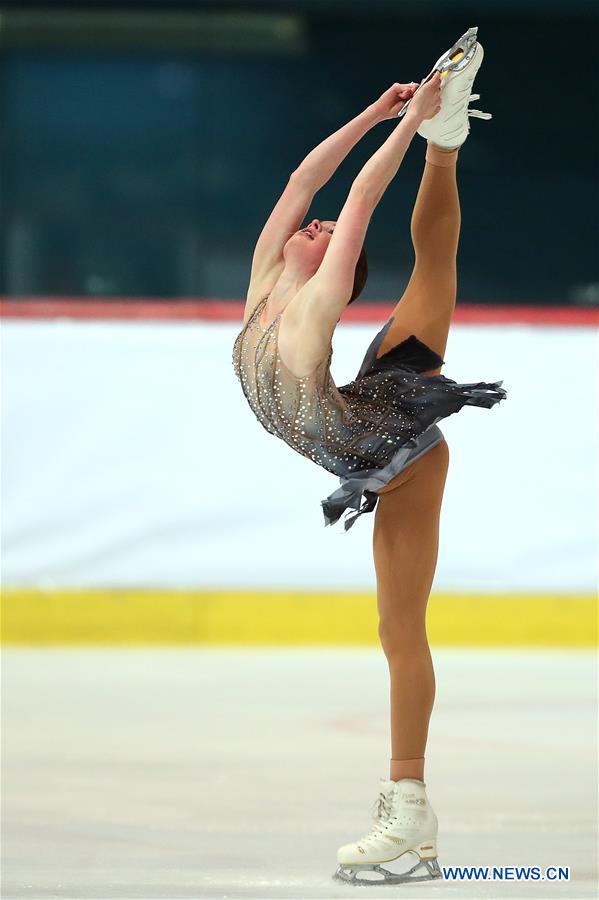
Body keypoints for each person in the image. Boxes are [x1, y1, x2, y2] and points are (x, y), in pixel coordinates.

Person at [232, 26, 505, 885]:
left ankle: (407, 810)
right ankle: (446, 141)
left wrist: (408, 128)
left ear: (335, 281)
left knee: (399, 632)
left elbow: (353, 205)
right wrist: (381, 111)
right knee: (398, 632)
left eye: (319, 240)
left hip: (400, 448)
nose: (308, 227)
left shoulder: (311, 310)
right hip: (360, 429)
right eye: (302, 233)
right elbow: (308, 181)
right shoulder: (266, 282)